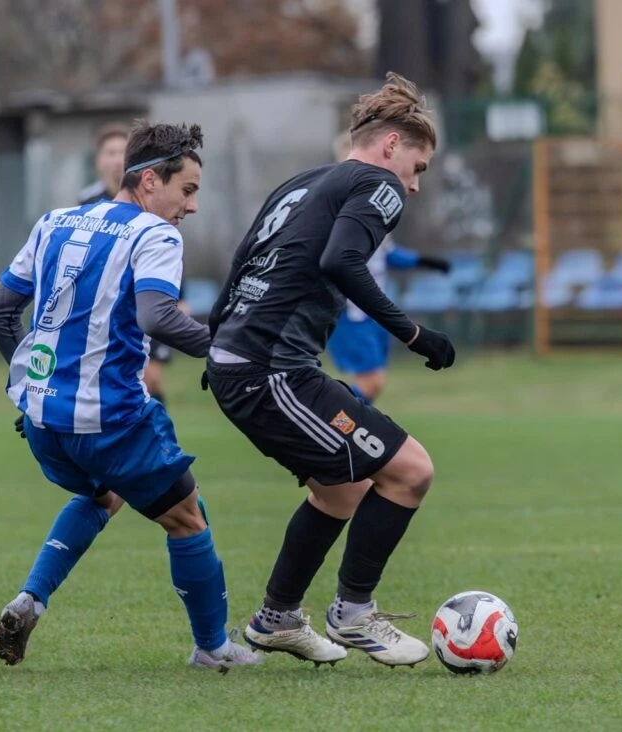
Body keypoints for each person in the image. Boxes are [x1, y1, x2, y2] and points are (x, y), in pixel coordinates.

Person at [0, 120, 260, 672]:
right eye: (187, 190)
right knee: (188, 518)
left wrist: (30, 387)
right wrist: (230, 350)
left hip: (45, 423)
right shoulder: (155, 234)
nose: (192, 206)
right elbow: (157, 316)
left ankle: (30, 599)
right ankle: (212, 648)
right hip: (111, 419)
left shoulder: (55, 221)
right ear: (150, 180)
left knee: (103, 495)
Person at [204, 73, 455, 668]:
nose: (414, 185)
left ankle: (277, 619)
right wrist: (414, 334)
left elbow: (243, 258)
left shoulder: (303, 182)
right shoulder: (378, 183)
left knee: (342, 491)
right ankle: (354, 611)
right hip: (272, 372)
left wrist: (220, 340)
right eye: (417, 167)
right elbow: (341, 259)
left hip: (246, 363)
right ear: (390, 144)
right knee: (412, 471)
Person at [326, 132, 451, 405]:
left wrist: (424, 261)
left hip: (373, 311)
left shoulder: (373, 203)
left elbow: (387, 253)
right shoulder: (339, 206)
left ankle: (337, 421)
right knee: (371, 383)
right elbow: (335, 259)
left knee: (373, 385)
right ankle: (324, 417)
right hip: (351, 312)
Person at [80, 123, 179, 405]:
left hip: (146, 298)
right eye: (110, 152)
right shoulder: (87, 202)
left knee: (152, 378)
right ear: (99, 160)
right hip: (107, 305)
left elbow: (167, 248)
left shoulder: (153, 201)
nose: (116, 159)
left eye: (122, 152)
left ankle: (152, 424)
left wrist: (178, 295)